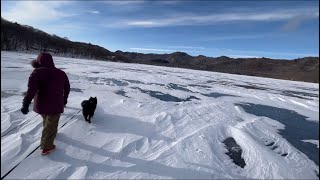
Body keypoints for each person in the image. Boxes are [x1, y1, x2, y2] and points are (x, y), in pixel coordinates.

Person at [21, 52, 70, 155]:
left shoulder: (36, 72)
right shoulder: (61, 73)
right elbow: (67, 88)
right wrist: (64, 99)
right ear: (51, 61)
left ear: (38, 61)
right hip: (56, 104)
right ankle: (47, 147)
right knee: (51, 122)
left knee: (47, 120)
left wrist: (26, 102)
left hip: (41, 104)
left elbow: (31, 90)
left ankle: (51, 134)